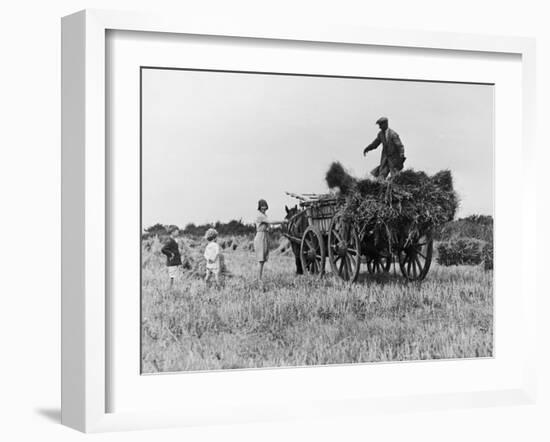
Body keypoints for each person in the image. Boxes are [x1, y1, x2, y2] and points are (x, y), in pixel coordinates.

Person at [254, 199, 286, 280]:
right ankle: (259, 279)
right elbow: (270, 222)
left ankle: (259, 278)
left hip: (264, 235)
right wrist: (282, 221)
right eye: (262, 208)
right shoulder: (260, 215)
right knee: (261, 260)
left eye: (265, 208)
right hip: (260, 236)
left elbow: (268, 225)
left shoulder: (264, 215)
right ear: (260, 208)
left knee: (263, 260)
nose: (264, 210)